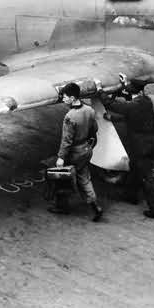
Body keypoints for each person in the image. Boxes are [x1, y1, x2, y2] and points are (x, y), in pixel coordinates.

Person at [105, 82, 154, 220]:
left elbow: (111, 104)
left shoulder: (132, 106)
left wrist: (100, 91)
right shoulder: (147, 101)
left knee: (146, 179)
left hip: (140, 148)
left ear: (128, 94)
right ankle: (130, 195)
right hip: (150, 143)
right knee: (134, 169)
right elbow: (130, 115)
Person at [52, 82, 103, 221]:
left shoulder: (70, 117)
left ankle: (62, 206)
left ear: (72, 98)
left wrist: (61, 157)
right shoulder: (89, 110)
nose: (63, 99)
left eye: (65, 97)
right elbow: (95, 129)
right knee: (84, 178)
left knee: (61, 178)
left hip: (74, 153)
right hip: (86, 149)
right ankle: (95, 206)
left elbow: (66, 141)